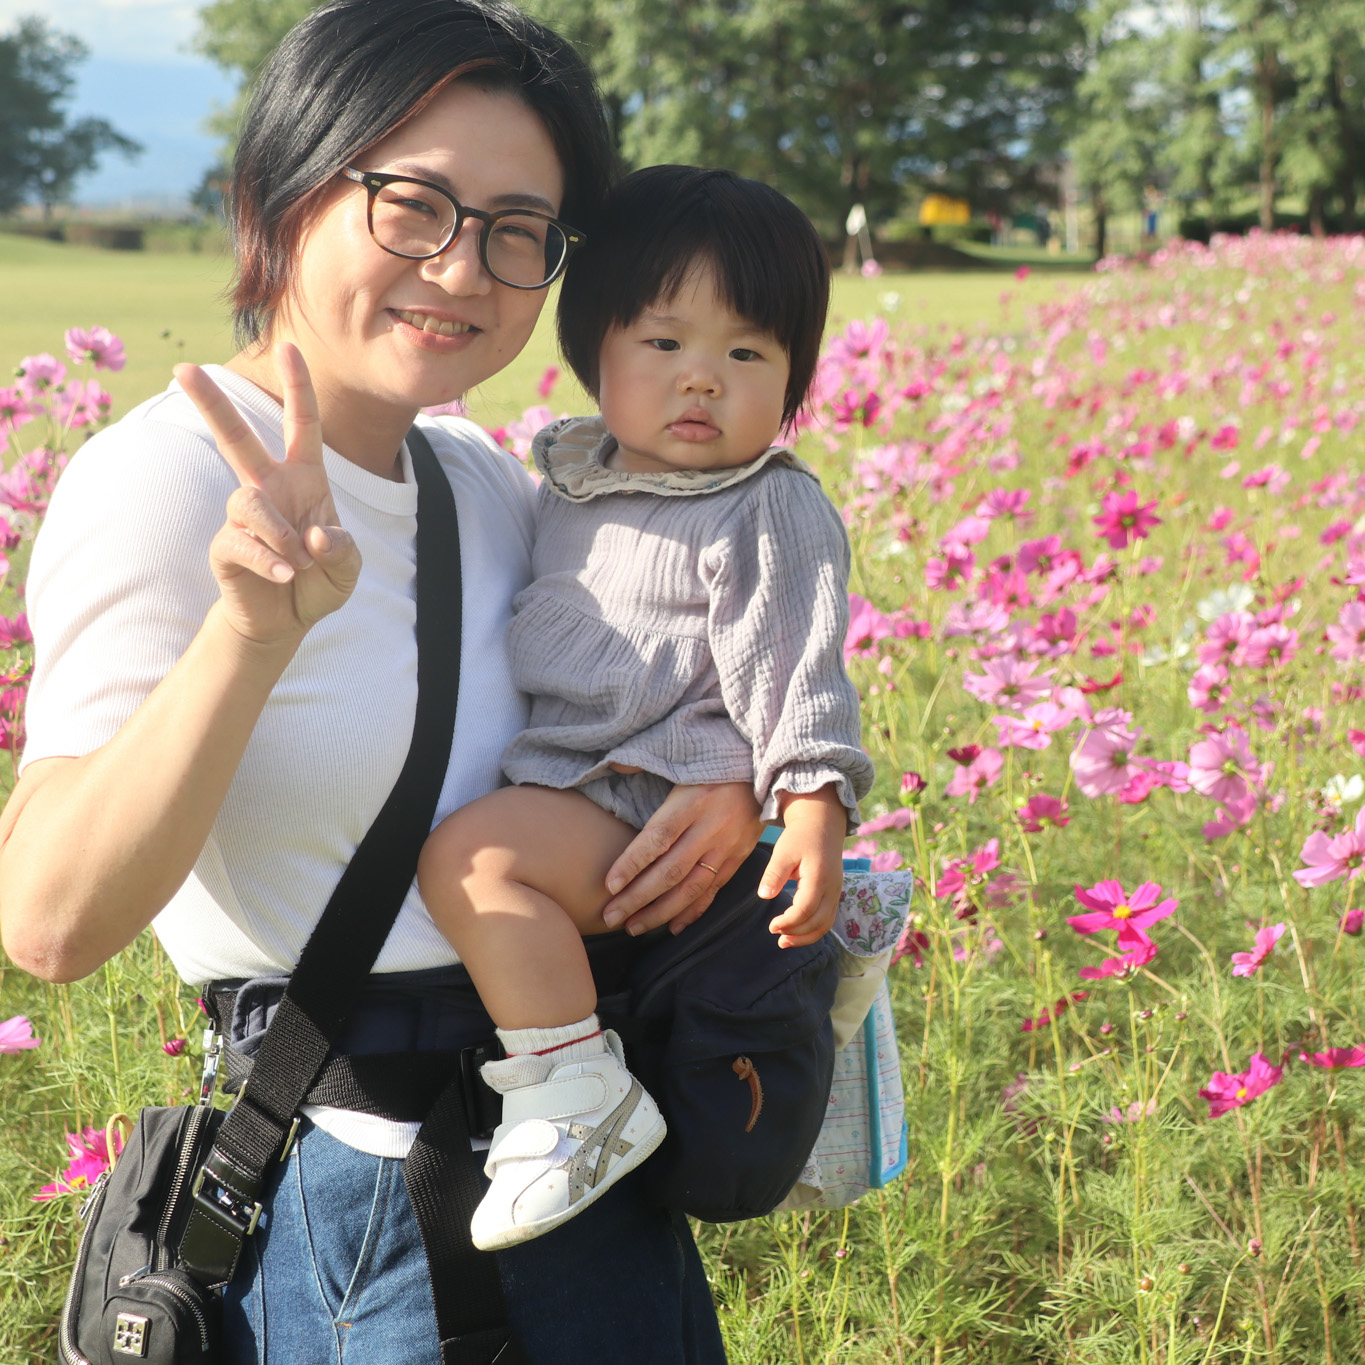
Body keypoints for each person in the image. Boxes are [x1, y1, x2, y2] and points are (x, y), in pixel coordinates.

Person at [0, 2, 748, 1359]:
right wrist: (252, 631)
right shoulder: (160, 481)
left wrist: (734, 783)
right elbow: (47, 919)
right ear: (278, 198)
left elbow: (626, 718)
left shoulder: (483, 480)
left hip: (584, 1161)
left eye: (520, 229)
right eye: (415, 206)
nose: (465, 270)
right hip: (368, 1211)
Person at [415, 165, 871, 1252]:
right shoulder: (572, 480)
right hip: (587, 779)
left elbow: (797, 667)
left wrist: (812, 801)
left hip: (641, 793)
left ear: (794, 380)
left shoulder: (765, 505)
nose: (702, 382)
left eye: (747, 353)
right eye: (664, 345)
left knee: (473, 861)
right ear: (594, 352)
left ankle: (574, 1095)